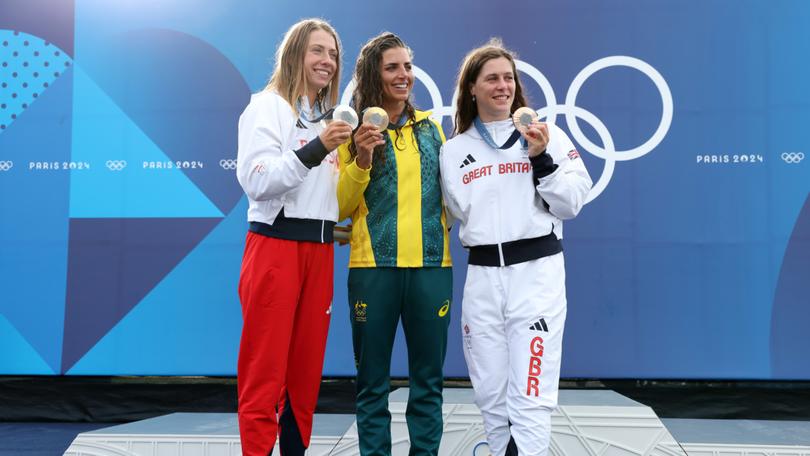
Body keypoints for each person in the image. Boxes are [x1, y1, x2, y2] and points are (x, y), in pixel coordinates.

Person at [439, 40, 592, 456]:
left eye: (508, 78)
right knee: (490, 391)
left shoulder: (547, 135)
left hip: (536, 275)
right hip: (483, 278)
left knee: (530, 391)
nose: (502, 86)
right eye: (492, 78)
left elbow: (573, 201)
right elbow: (457, 212)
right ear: (472, 87)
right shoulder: (452, 152)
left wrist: (541, 158)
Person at [234, 18, 352, 456]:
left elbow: (322, 196)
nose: (327, 61)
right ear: (294, 54)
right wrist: (317, 147)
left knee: (305, 376)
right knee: (265, 371)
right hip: (275, 248)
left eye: (334, 54)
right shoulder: (266, 107)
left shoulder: (325, 117)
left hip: (319, 251)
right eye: (318, 51)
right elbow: (259, 181)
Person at [337, 32, 453, 456]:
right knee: (372, 385)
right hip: (372, 271)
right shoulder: (352, 131)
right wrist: (362, 161)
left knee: (428, 384)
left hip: (431, 269)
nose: (404, 75)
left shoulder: (433, 130)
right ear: (374, 75)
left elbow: (455, 199)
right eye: (393, 68)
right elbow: (339, 207)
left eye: (407, 66)